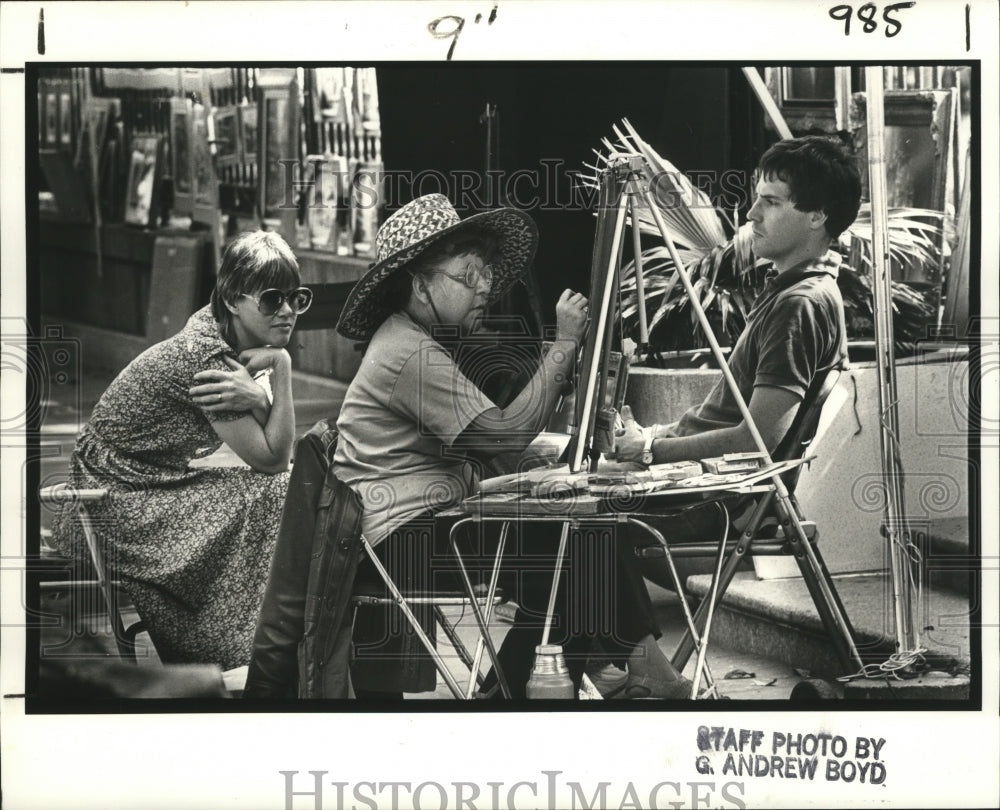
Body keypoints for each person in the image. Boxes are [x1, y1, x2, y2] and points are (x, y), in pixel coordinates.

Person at [604, 135, 862, 697]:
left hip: (727, 503)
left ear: (817, 216)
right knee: (558, 503)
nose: (751, 213)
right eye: (757, 197)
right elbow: (728, 419)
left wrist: (649, 452)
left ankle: (652, 681)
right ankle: (599, 673)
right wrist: (650, 437)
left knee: (583, 530)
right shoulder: (791, 290)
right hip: (705, 485)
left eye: (771, 201)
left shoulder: (801, 304)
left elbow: (758, 439)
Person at [330, 193, 595, 699]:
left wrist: (551, 457)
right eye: (467, 275)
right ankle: (521, 695)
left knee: (577, 543)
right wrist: (563, 344)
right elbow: (503, 434)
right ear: (420, 284)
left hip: (421, 527)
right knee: (579, 554)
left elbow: (495, 445)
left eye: (486, 274)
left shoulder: (419, 338)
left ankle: (519, 689)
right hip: (395, 544)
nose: (485, 287)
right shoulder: (408, 351)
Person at [51, 230, 310, 670]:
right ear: (232, 299)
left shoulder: (230, 338)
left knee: (274, 492)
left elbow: (274, 445)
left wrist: (264, 396)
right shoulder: (210, 360)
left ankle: (258, 645)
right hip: (107, 499)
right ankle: (247, 652)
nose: (286, 312)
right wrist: (282, 372)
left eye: (295, 298)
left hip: (146, 482)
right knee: (272, 492)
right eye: (271, 300)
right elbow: (272, 458)